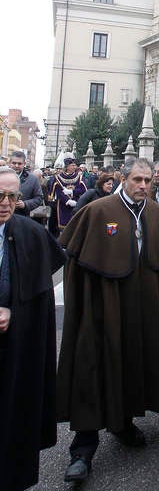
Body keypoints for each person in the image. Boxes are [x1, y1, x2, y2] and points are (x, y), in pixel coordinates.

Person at [56, 158, 159, 484]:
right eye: (137, 179)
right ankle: (83, 450)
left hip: (142, 311)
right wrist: (84, 308)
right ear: (122, 178)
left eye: (148, 180)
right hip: (103, 310)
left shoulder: (158, 215)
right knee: (93, 368)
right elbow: (74, 262)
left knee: (133, 363)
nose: (143, 185)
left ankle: (123, 424)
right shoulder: (98, 210)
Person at [0, 166, 65, 491]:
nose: (6, 203)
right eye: (0, 195)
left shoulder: (31, 233)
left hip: (17, 343)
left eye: (13, 196)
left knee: (14, 419)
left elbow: (47, 269)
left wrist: (17, 308)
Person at [50, 157, 87, 231]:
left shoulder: (79, 176)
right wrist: (67, 201)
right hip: (63, 205)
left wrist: (72, 192)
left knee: (76, 225)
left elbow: (83, 190)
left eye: (75, 165)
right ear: (67, 167)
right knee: (64, 227)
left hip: (77, 203)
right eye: (72, 165)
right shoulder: (58, 177)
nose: (75, 167)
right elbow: (59, 192)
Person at [9, 150, 43, 216]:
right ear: (9, 163)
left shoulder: (33, 179)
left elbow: (39, 198)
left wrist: (25, 204)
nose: (16, 165)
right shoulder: (2, 177)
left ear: (24, 164)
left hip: (22, 217)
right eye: (14, 163)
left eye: (19, 163)